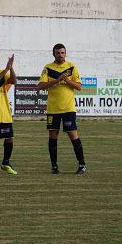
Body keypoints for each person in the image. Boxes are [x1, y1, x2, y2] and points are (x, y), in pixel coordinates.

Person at [38, 43, 86, 174]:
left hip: (68, 108)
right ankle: (54, 166)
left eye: (62, 53)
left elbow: (79, 86)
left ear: (65, 54)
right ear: (53, 54)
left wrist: (67, 80)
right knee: (53, 137)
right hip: (53, 109)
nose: (60, 55)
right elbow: (40, 86)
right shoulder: (48, 68)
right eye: (58, 53)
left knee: (73, 135)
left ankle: (82, 165)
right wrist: (57, 80)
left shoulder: (72, 66)